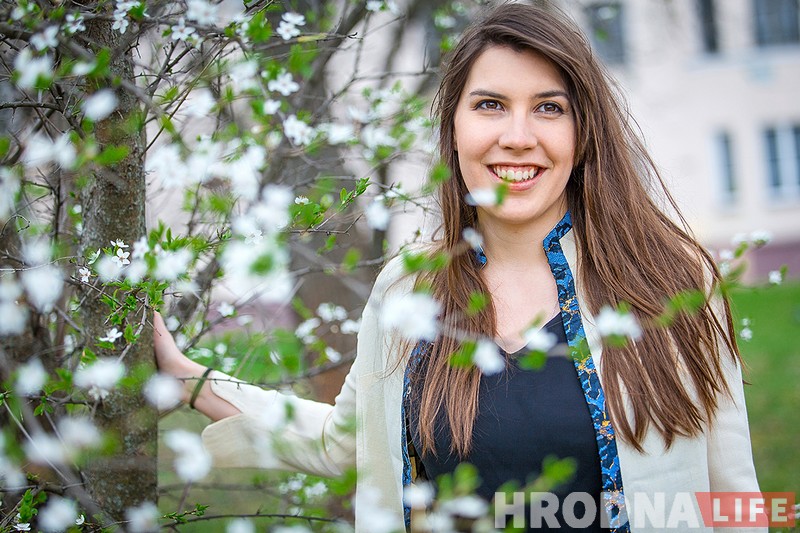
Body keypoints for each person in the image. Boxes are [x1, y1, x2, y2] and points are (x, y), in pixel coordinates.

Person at [154, 3, 764, 532]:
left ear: (584, 132)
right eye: (491, 105)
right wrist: (190, 381)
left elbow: (732, 495)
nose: (518, 136)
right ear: (453, 127)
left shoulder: (668, 282)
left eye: (549, 108)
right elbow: (347, 441)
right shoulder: (409, 290)